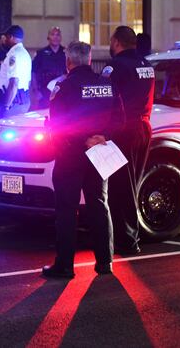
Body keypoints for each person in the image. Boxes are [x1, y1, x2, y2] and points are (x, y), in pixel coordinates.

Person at [42, 41, 122, 279]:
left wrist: (82, 140)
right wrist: (102, 137)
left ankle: (65, 265)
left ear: (68, 61)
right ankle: (105, 262)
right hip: (99, 152)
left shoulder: (63, 86)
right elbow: (121, 118)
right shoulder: (106, 84)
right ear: (89, 60)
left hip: (70, 155)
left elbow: (58, 125)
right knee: (99, 204)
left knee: (67, 209)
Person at [102, 25, 154, 255]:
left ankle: (127, 240)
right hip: (144, 129)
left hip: (123, 132)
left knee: (120, 186)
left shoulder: (115, 66)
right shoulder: (147, 66)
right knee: (132, 184)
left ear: (116, 42)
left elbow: (104, 97)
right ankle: (129, 236)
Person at [0, 25, 32, 118]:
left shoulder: (14, 54)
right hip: (20, 101)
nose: (3, 40)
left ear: (11, 37)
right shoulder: (24, 53)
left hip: (13, 103)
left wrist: (6, 106)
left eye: (5, 37)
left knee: (5, 130)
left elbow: (14, 82)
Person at [31, 27, 66, 110]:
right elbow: (33, 72)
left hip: (61, 92)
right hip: (44, 92)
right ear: (48, 37)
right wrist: (36, 91)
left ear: (61, 38)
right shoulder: (40, 53)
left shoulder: (65, 52)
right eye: (52, 34)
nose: (55, 37)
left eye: (58, 35)